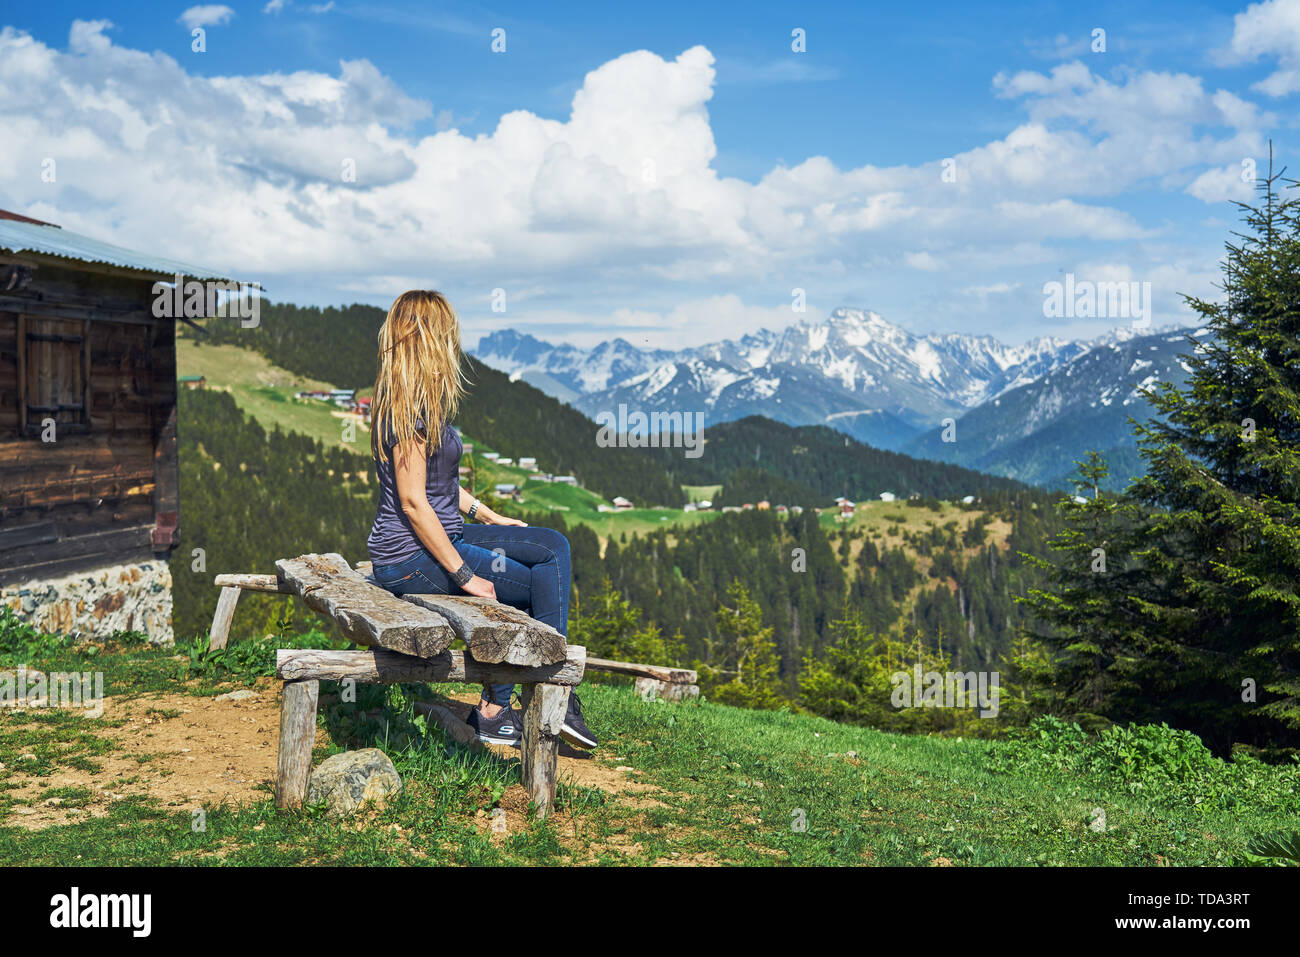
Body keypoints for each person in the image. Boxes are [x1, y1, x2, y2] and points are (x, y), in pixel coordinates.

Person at [364, 290, 597, 749]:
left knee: (552, 546)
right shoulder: (407, 409)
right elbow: (412, 502)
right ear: (428, 339)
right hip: (411, 557)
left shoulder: (415, 401)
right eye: (447, 332)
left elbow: (439, 485)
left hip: (433, 539)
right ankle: (533, 698)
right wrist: (466, 575)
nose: (454, 342)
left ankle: (509, 704)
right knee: (537, 585)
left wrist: (489, 515)